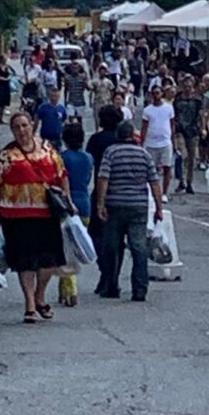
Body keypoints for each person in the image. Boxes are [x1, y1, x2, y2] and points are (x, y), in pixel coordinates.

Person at [0, 112, 72, 323]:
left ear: (32, 126)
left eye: (25, 125)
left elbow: (62, 175)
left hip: (46, 213)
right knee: (25, 261)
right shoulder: (6, 154)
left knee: (49, 261)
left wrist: (68, 201)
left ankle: (40, 295)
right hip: (16, 216)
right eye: (17, 127)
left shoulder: (47, 148)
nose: (21, 130)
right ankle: (30, 303)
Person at [97, 121, 163, 301]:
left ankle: (111, 286)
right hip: (138, 206)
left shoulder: (110, 152)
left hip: (115, 205)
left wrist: (100, 204)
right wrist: (159, 208)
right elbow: (154, 182)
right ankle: (140, 288)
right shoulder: (144, 154)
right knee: (139, 248)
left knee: (112, 247)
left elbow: (103, 179)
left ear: (118, 135)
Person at [87, 105, 123, 294]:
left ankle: (105, 271)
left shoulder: (96, 140)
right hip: (121, 191)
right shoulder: (122, 139)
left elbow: (89, 163)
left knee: (96, 234)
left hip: (101, 189)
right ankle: (113, 277)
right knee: (118, 239)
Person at [58, 122, 93, 307]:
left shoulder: (62, 157)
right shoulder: (88, 158)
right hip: (84, 204)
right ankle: (63, 290)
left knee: (66, 251)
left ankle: (70, 291)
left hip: (66, 205)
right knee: (73, 248)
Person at [173, 76, 203, 194]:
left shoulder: (197, 100)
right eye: (185, 86)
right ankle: (182, 180)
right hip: (180, 129)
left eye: (189, 86)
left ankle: (189, 182)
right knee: (183, 155)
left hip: (193, 129)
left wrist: (202, 127)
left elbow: (201, 115)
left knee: (192, 158)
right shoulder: (178, 99)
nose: (187, 89)